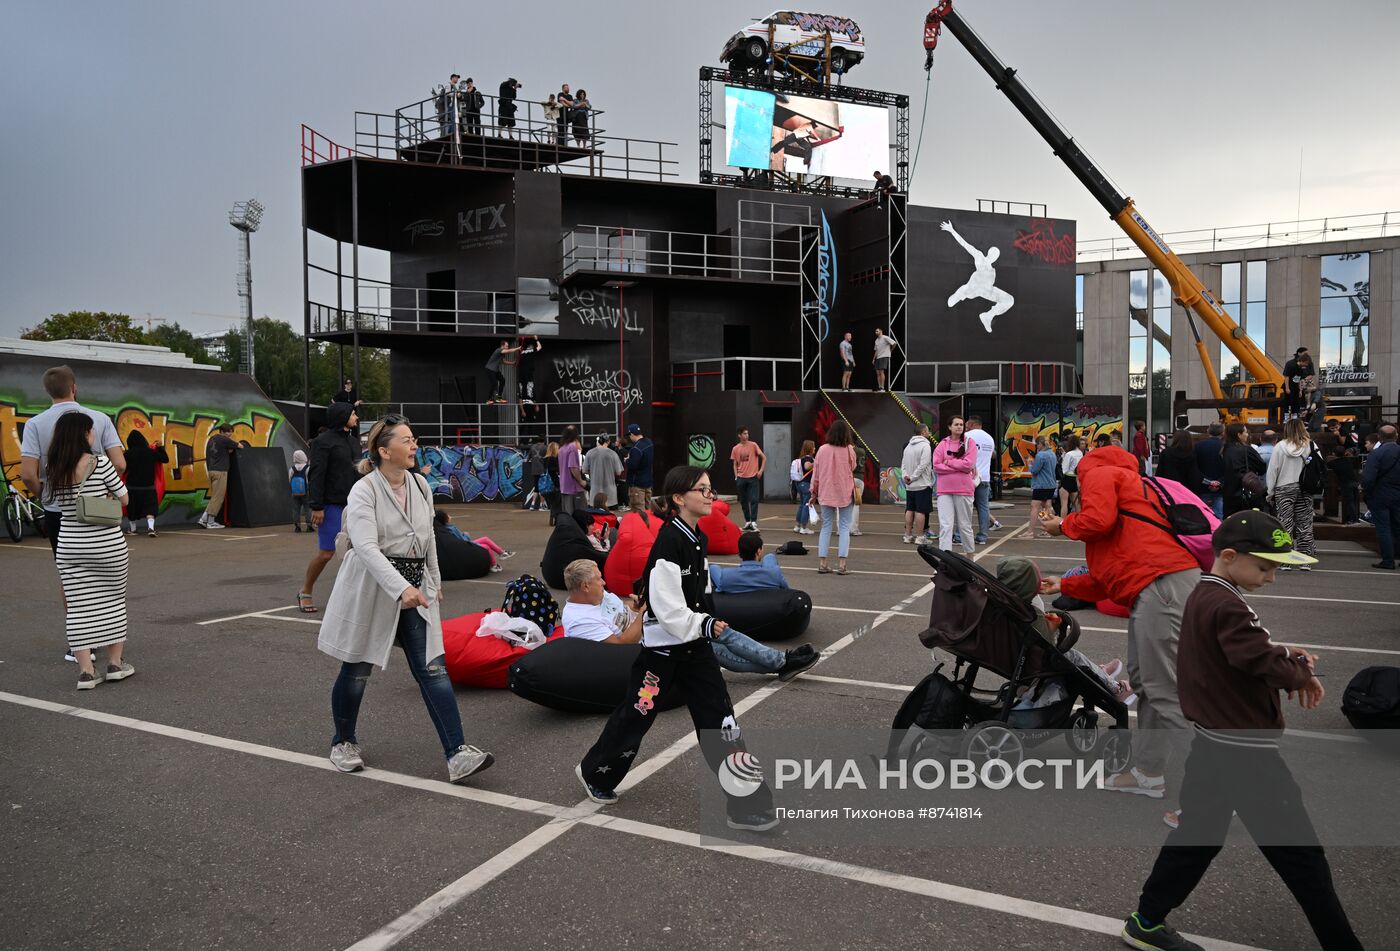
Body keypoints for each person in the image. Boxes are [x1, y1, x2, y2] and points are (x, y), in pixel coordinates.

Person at [1121, 511, 1361, 951]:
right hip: (1244, 753)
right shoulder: (1228, 603)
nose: (1272, 578)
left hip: (1213, 745)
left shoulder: (1205, 592)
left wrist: (1284, 651)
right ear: (1229, 556)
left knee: (1196, 838)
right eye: (1265, 567)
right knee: (1301, 856)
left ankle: (1147, 920)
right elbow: (1258, 659)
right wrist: (1300, 668)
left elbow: (1242, 649)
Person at [575, 466, 781, 832]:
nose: (709, 494)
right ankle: (596, 773)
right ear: (678, 498)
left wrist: (707, 621)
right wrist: (703, 622)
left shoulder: (695, 537)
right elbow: (668, 607)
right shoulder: (670, 540)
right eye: (701, 489)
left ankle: (747, 803)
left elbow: (697, 593)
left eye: (709, 488)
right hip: (662, 654)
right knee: (636, 715)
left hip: (695, 649)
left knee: (722, 722)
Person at [318, 415, 494, 784]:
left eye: (414, 439)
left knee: (433, 668)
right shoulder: (364, 490)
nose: (414, 445)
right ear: (384, 451)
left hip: (415, 587)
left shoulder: (419, 485)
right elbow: (365, 547)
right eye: (407, 440)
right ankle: (343, 742)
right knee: (357, 668)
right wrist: (401, 587)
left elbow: (427, 536)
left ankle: (457, 754)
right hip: (374, 586)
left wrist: (434, 580)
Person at [1040, 440, 1201, 800]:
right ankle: (1148, 772)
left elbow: (1097, 520)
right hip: (1161, 584)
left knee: (1161, 689)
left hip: (1160, 587)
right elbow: (1111, 573)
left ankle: (1217, 788)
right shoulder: (1130, 482)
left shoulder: (1098, 472)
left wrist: (1062, 525)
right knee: (1148, 683)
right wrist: (1064, 584)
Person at [45, 412, 133, 689]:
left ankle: (86, 671)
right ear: (84, 434)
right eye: (91, 431)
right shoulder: (101, 462)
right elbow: (124, 497)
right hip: (106, 543)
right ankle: (116, 664)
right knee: (114, 599)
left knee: (78, 606)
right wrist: (104, 496)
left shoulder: (54, 467)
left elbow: (50, 499)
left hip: (70, 543)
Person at [301, 401, 361, 613]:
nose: (356, 417)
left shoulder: (354, 442)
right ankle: (306, 591)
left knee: (360, 552)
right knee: (327, 553)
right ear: (343, 416)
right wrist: (317, 506)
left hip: (355, 504)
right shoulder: (322, 442)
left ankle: (355, 598)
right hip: (331, 505)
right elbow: (316, 474)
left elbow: (358, 471)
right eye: (353, 414)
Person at [1266, 419, 1317, 570]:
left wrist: (1270, 492)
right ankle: (1305, 560)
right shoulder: (1311, 445)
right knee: (1305, 524)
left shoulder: (1280, 446)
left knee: (1284, 524)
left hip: (1284, 488)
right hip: (1304, 489)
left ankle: (1285, 560)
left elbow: (1273, 470)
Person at [810, 420, 857, 575]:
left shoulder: (822, 450)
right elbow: (853, 467)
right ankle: (842, 565)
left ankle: (823, 563)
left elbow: (816, 474)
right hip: (845, 492)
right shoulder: (849, 449)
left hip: (826, 491)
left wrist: (813, 492)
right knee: (844, 527)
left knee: (826, 527)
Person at [933, 416, 977, 555]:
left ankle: (970, 558)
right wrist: (958, 466)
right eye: (956, 424)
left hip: (964, 490)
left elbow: (968, 465)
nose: (959, 427)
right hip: (944, 490)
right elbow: (936, 466)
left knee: (965, 526)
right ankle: (945, 560)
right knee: (945, 526)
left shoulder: (970, 443)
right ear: (949, 427)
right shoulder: (942, 444)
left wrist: (949, 462)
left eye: (961, 425)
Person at [1361, 423, 1400, 570]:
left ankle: (1388, 560)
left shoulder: (1377, 454)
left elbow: (1368, 478)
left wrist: (1367, 491)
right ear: (1396, 436)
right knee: (1398, 526)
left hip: (1380, 494)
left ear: (1379, 438)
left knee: (1383, 528)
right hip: (1398, 493)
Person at [710, 531, 790, 594]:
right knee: (769, 557)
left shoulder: (727, 576)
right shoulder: (774, 573)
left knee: (713, 567)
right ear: (758, 551)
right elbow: (786, 590)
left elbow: (719, 589)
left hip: (738, 598)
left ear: (740, 552)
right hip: (766, 597)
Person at [122, 430, 168, 537]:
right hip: (148, 486)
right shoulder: (150, 452)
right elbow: (165, 459)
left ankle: (133, 530)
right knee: (150, 508)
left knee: (131, 508)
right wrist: (160, 448)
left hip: (132, 487)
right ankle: (151, 528)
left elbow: (124, 469)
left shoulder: (128, 454)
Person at [434, 510, 513, 571]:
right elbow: (461, 539)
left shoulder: (448, 527)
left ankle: (502, 553)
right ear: (445, 518)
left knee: (485, 539)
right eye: (447, 515)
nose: (449, 516)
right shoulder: (450, 528)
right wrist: (466, 534)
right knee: (486, 547)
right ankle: (493, 565)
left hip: (464, 543)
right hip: (465, 545)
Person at [1220, 422, 1267, 517]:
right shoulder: (1247, 450)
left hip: (1228, 494)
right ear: (1239, 434)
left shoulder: (1223, 450)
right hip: (1245, 492)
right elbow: (1262, 468)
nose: (1247, 434)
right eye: (1245, 432)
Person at [198, 423, 240, 529]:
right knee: (218, 497)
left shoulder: (212, 439)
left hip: (211, 470)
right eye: (228, 432)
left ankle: (205, 519)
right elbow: (240, 445)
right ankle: (209, 521)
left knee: (215, 497)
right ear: (222, 432)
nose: (229, 435)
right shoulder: (223, 439)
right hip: (220, 471)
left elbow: (222, 452)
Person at [966, 415, 998, 544]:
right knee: (983, 508)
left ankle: (959, 535)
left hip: (969, 477)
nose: (965, 427)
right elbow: (993, 456)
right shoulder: (989, 438)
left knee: (964, 507)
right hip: (984, 477)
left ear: (972, 424)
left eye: (967, 424)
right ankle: (982, 537)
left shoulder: (968, 436)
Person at [900, 423, 933, 544]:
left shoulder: (908, 446)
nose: (929, 433)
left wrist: (906, 477)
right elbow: (924, 465)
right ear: (923, 432)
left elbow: (903, 464)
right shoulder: (925, 446)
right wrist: (913, 477)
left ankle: (907, 535)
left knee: (910, 509)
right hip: (922, 484)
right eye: (928, 431)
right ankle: (920, 537)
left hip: (910, 485)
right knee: (921, 511)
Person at [730, 427, 766, 531]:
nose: (747, 435)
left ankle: (754, 522)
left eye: (747, 433)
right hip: (741, 478)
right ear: (739, 435)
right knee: (743, 501)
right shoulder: (735, 448)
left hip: (753, 477)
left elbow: (764, 458)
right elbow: (734, 464)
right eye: (745, 433)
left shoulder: (753, 445)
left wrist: (760, 471)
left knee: (754, 499)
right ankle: (748, 522)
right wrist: (736, 476)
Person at [1154, 429, 1204, 499]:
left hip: (1169, 489)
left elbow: (1160, 473)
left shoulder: (1166, 453)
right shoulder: (1192, 455)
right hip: (1187, 491)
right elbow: (1194, 475)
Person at [1193, 422, 1226, 517]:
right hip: (1220, 488)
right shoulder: (1225, 446)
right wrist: (1219, 482)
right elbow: (1228, 468)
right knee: (1219, 514)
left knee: (1202, 514)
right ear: (1223, 433)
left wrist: (1208, 482)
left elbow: (1195, 467)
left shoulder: (1198, 446)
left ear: (1208, 431)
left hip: (1202, 486)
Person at [1028, 436, 1057, 539]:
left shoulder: (1040, 455)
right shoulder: (1052, 454)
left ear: (1040, 444)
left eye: (1037, 445)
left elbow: (1034, 471)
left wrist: (1030, 465)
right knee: (1046, 507)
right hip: (1051, 484)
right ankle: (1047, 530)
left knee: (1034, 506)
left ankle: (1030, 531)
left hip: (1041, 484)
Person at [584, 434, 624, 509]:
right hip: (610, 497)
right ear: (608, 442)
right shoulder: (613, 454)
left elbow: (584, 470)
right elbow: (619, 472)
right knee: (611, 518)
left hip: (595, 496)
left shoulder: (589, 453)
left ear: (598, 441)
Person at [1330, 437, 1361, 526]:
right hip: (1355, 482)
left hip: (1346, 484)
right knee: (1354, 501)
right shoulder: (1349, 460)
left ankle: (1353, 519)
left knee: (1349, 502)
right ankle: (1356, 518)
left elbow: (1327, 466)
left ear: (1333, 453)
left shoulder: (1333, 463)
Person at [624, 423, 654, 513]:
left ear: (632, 434)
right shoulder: (649, 442)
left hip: (637, 484)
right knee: (648, 510)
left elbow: (633, 465)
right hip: (648, 481)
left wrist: (627, 460)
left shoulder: (636, 448)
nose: (629, 438)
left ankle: (641, 527)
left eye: (629, 435)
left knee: (639, 512)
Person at [557, 426, 586, 516]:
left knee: (567, 514)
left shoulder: (561, 449)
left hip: (564, 486)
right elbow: (573, 467)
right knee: (580, 514)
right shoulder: (572, 447)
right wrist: (581, 481)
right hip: (574, 487)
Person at [1281, 347, 1315, 420]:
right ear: (1302, 361)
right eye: (1305, 364)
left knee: (1296, 403)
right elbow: (1286, 376)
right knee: (1287, 402)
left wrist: (1300, 390)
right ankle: (1286, 418)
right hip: (1289, 385)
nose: (1305, 366)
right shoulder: (1290, 364)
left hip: (1296, 386)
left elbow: (1299, 379)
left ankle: (1295, 418)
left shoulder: (1301, 368)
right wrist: (1287, 388)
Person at [792, 439, 816, 535]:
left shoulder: (801, 458)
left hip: (800, 484)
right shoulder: (808, 459)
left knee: (802, 504)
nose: (815, 448)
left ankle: (797, 526)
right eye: (813, 446)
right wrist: (816, 462)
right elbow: (807, 467)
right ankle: (804, 527)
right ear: (810, 448)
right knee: (807, 505)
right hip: (806, 484)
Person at [484, 338, 519, 404]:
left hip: (495, 370)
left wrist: (512, 363)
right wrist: (517, 348)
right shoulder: (499, 350)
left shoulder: (502, 353)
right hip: (490, 369)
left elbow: (503, 362)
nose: (507, 347)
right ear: (502, 346)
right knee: (494, 384)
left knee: (502, 380)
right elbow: (509, 351)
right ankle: (488, 400)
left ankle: (499, 398)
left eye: (508, 346)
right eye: (506, 346)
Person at [1059, 433, 1084, 517]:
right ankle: (1079, 522)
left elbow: (1064, 470)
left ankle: (1062, 523)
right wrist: (1064, 455)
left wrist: (1064, 457)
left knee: (1064, 504)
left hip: (1067, 478)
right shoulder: (1080, 453)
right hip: (1076, 478)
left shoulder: (1069, 454)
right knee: (1076, 503)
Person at [288, 448, 312, 532]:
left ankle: (297, 527)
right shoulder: (307, 468)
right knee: (307, 508)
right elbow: (310, 480)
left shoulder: (292, 469)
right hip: (306, 491)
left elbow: (289, 480)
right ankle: (309, 526)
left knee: (296, 509)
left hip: (295, 492)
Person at [517, 335, 542, 403]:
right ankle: (529, 399)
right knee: (529, 383)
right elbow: (540, 347)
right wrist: (536, 339)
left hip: (521, 371)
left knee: (522, 384)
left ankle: (523, 398)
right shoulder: (532, 351)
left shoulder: (522, 352)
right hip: (528, 370)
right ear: (531, 347)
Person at [523, 438, 546, 511]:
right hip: (542, 470)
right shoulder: (545, 447)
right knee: (542, 488)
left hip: (534, 470)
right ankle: (542, 505)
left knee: (536, 488)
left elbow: (527, 459)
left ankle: (532, 505)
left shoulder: (532, 447)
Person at [543, 441, 563, 525]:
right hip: (555, 483)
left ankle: (552, 516)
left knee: (553, 502)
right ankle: (556, 518)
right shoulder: (555, 459)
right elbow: (557, 471)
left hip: (547, 485)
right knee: (558, 502)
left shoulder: (545, 459)